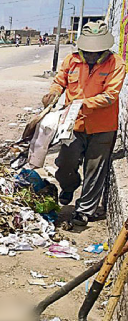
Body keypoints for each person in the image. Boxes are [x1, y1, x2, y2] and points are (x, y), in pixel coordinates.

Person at [42, 21, 126, 227]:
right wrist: (53, 94)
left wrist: (82, 104)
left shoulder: (117, 64)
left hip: (102, 127)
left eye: (94, 52)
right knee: (65, 163)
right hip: (73, 125)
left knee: (94, 170)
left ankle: (84, 210)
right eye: (87, 51)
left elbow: (110, 96)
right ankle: (69, 186)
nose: (89, 55)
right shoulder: (71, 61)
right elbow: (60, 81)